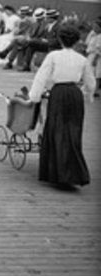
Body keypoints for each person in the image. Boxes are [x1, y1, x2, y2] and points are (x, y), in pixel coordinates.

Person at [28, 23, 96, 189]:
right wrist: (87, 92)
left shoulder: (53, 56)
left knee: (56, 129)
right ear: (77, 41)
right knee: (73, 131)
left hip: (58, 93)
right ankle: (73, 172)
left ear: (59, 39)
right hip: (74, 94)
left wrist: (34, 97)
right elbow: (91, 83)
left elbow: (41, 77)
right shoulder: (82, 59)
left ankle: (57, 173)